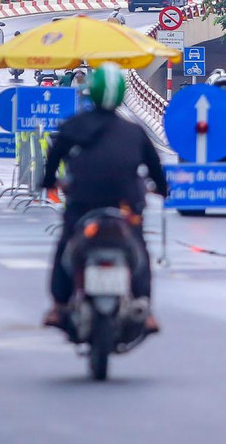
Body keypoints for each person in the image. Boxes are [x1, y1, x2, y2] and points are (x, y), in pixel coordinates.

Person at [41, 63, 167, 334]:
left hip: (83, 203)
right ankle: (144, 308)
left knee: (66, 245)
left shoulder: (74, 125)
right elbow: (156, 169)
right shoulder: (134, 132)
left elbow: (53, 159)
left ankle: (59, 306)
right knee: (139, 248)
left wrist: (49, 181)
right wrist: (162, 189)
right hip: (126, 205)